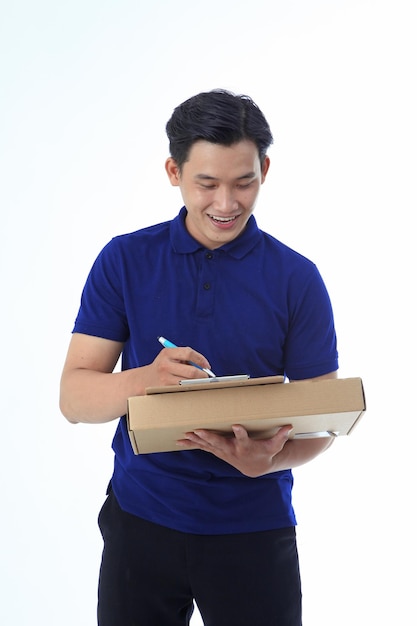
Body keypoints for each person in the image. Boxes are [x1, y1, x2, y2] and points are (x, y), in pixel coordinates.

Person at [60, 88, 338, 626]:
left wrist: (271, 460)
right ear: (173, 171)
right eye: (206, 184)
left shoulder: (297, 279)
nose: (226, 204)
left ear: (266, 169)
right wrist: (145, 379)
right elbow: (74, 398)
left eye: (244, 182)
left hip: (255, 528)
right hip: (141, 519)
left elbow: (322, 420)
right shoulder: (125, 259)